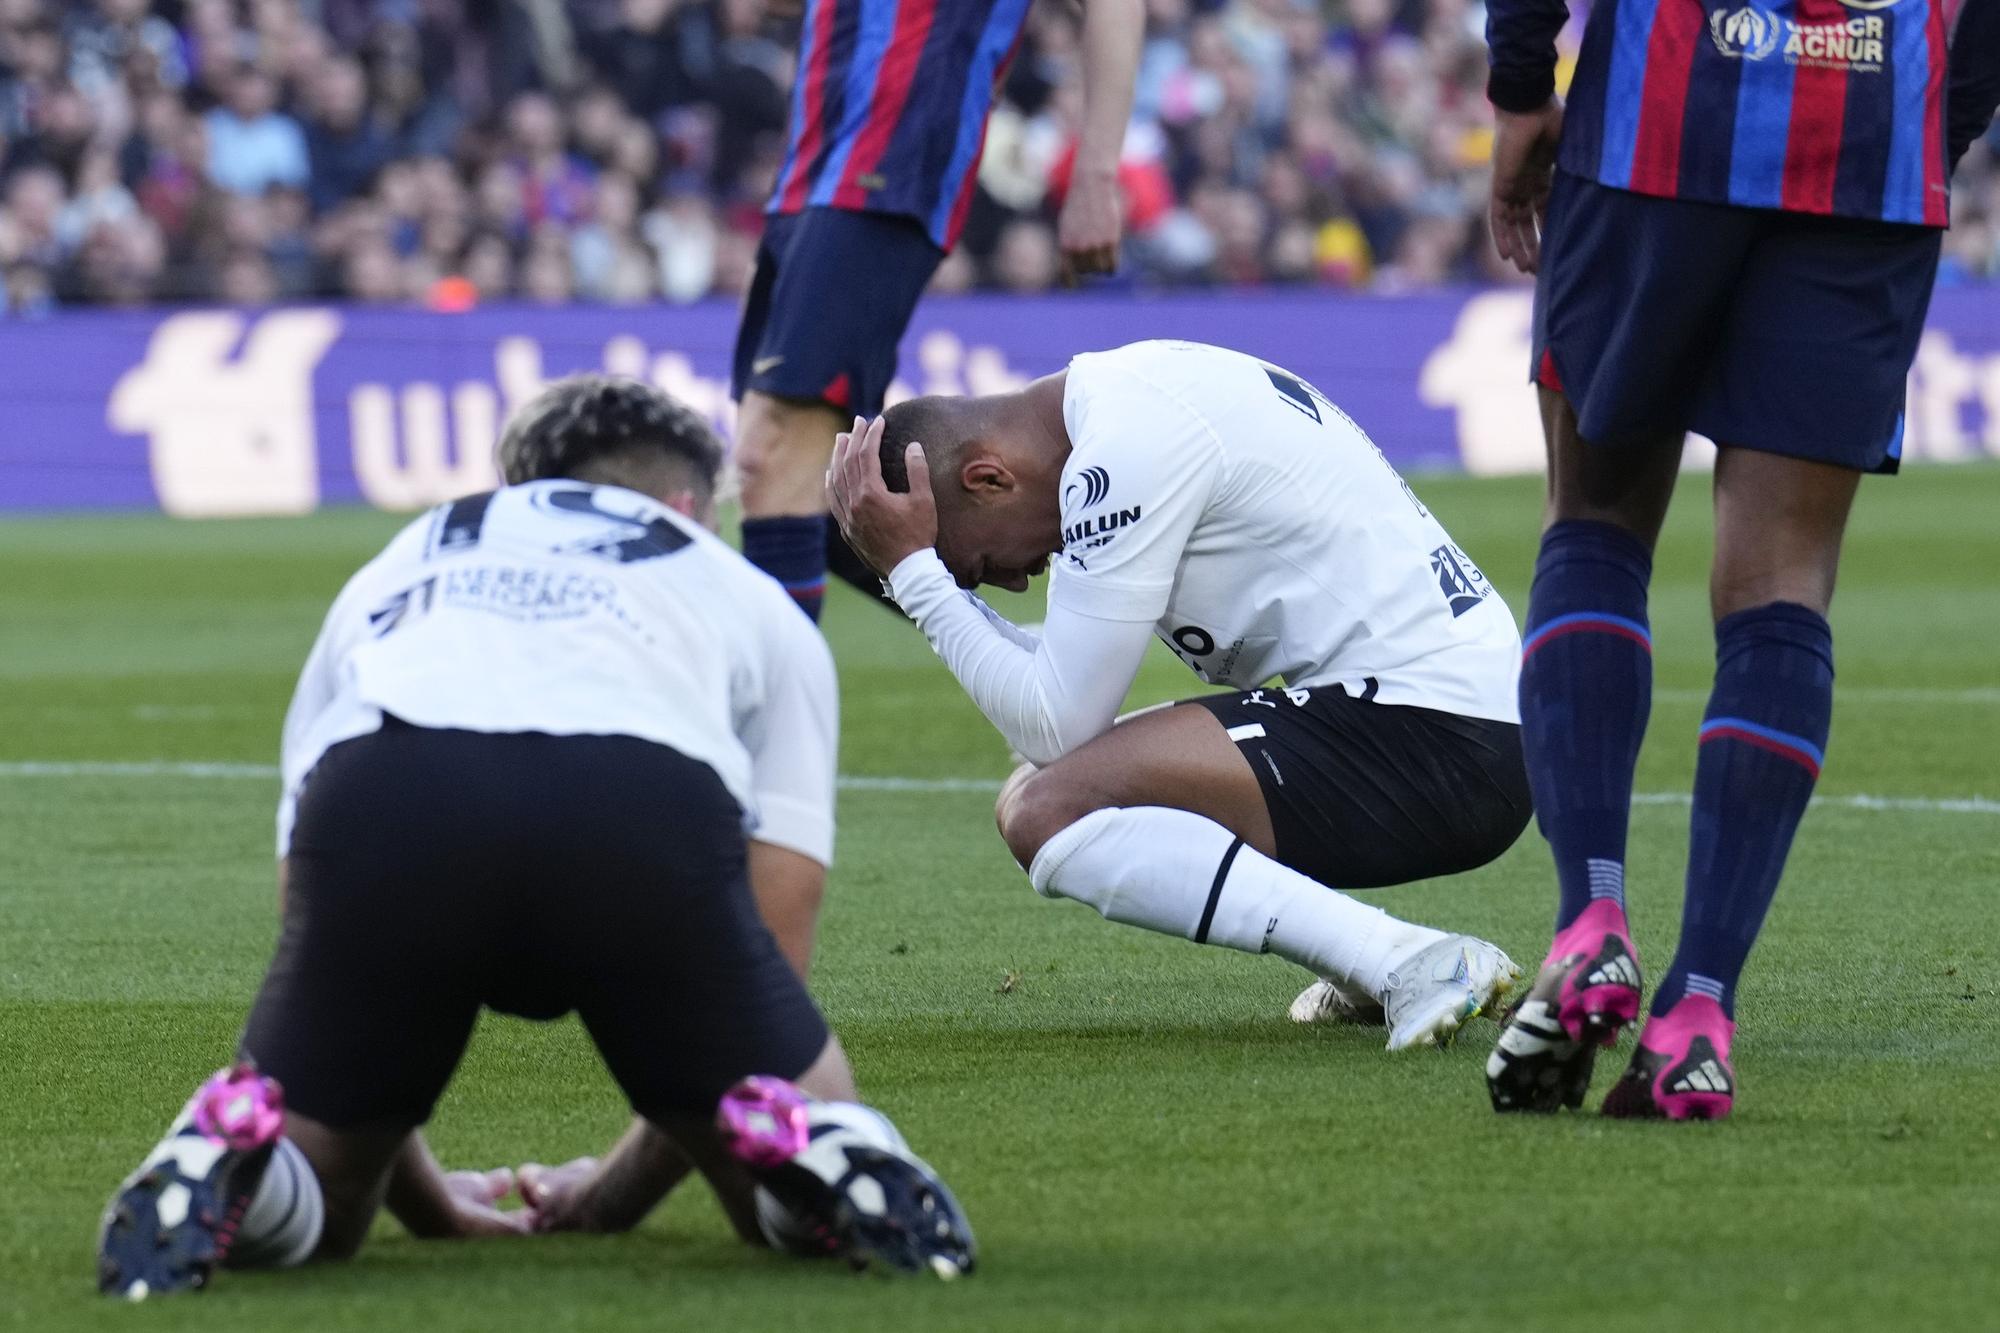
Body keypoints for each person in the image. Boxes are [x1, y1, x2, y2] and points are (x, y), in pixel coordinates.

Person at [96, 377, 973, 1299]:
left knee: (327, 1189)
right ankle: (825, 1146)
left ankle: (232, 1150)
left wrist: (423, 1197)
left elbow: (305, 908)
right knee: (781, 1121)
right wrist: (609, 1196)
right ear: (686, 503)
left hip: (390, 791)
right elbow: (776, 936)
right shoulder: (735, 586)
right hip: (637, 801)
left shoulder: (404, 558)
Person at [1480, 0, 2000, 1118]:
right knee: (1781, 583)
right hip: (1870, 143)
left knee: (1594, 517)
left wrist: (1521, 83)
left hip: (1656, 125)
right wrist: (1926, 131)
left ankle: (1590, 921)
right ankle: (1695, 1013)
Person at [827, 340, 1533, 1051]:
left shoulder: (1123, 451)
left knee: (1048, 808)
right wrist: (917, 571)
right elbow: (1054, 685)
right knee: (1048, 791)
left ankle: (1407, 961)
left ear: (987, 477)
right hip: (1446, 718)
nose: (1011, 582)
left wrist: (919, 577)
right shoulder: (1116, 411)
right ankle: (1374, 961)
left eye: (976, 564)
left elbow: (1054, 725)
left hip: (1443, 737)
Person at [732, 0, 1144, 623]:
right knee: (800, 484)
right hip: (811, 168)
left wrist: (1094, 176)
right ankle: (1027, 669)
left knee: (780, 451)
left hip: (893, 160)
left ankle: (769, 719)